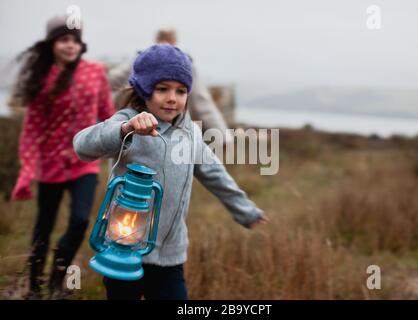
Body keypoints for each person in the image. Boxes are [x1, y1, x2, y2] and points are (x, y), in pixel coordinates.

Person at [73, 44, 268, 300]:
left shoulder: (191, 134)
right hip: (123, 251)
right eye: (162, 89)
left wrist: (245, 210)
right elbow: (82, 146)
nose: (172, 98)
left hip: (169, 256)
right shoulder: (128, 121)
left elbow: (214, 173)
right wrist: (124, 129)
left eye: (181, 90)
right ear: (144, 89)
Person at [10, 15, 115, 299]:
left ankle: (58, 276)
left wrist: (120, 143)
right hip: (50, 164)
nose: (70, 46)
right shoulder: (41, 78)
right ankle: (33, 285)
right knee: (44, 224)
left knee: (81, 220)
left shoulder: (96, 72)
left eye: (75, 41)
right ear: (52, 44)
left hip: (85, 161)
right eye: (64, 40)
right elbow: (31, 129)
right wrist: (26, 172)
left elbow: (108, 115)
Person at [108, 28, 232, 143]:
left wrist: (222, 134)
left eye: (180, 91)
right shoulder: (142, 60)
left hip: (170, 125)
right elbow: (203, 103)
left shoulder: (183, 66)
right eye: (162, 89)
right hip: (134, 123)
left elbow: (203, 103)